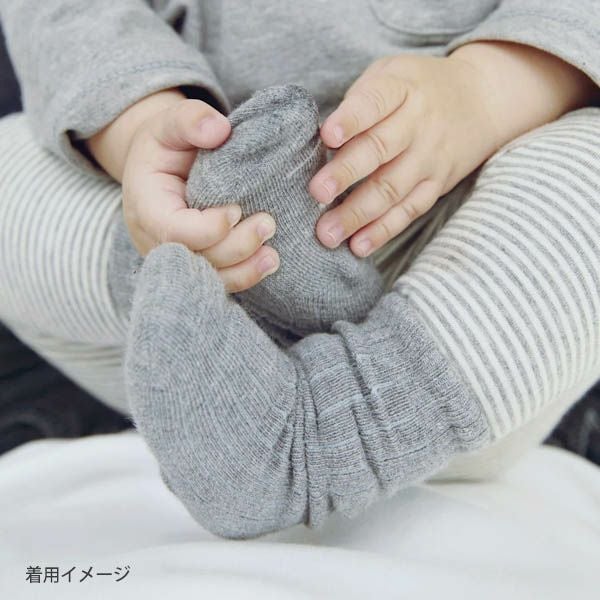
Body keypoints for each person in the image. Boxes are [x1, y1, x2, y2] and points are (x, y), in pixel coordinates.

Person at [0, 1, 599, 538]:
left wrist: (486, 88)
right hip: (203, 297)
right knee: (12, 164)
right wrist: (139, 132)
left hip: (465, 312)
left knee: (587, 166)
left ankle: (306, 449)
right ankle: (201, 308)